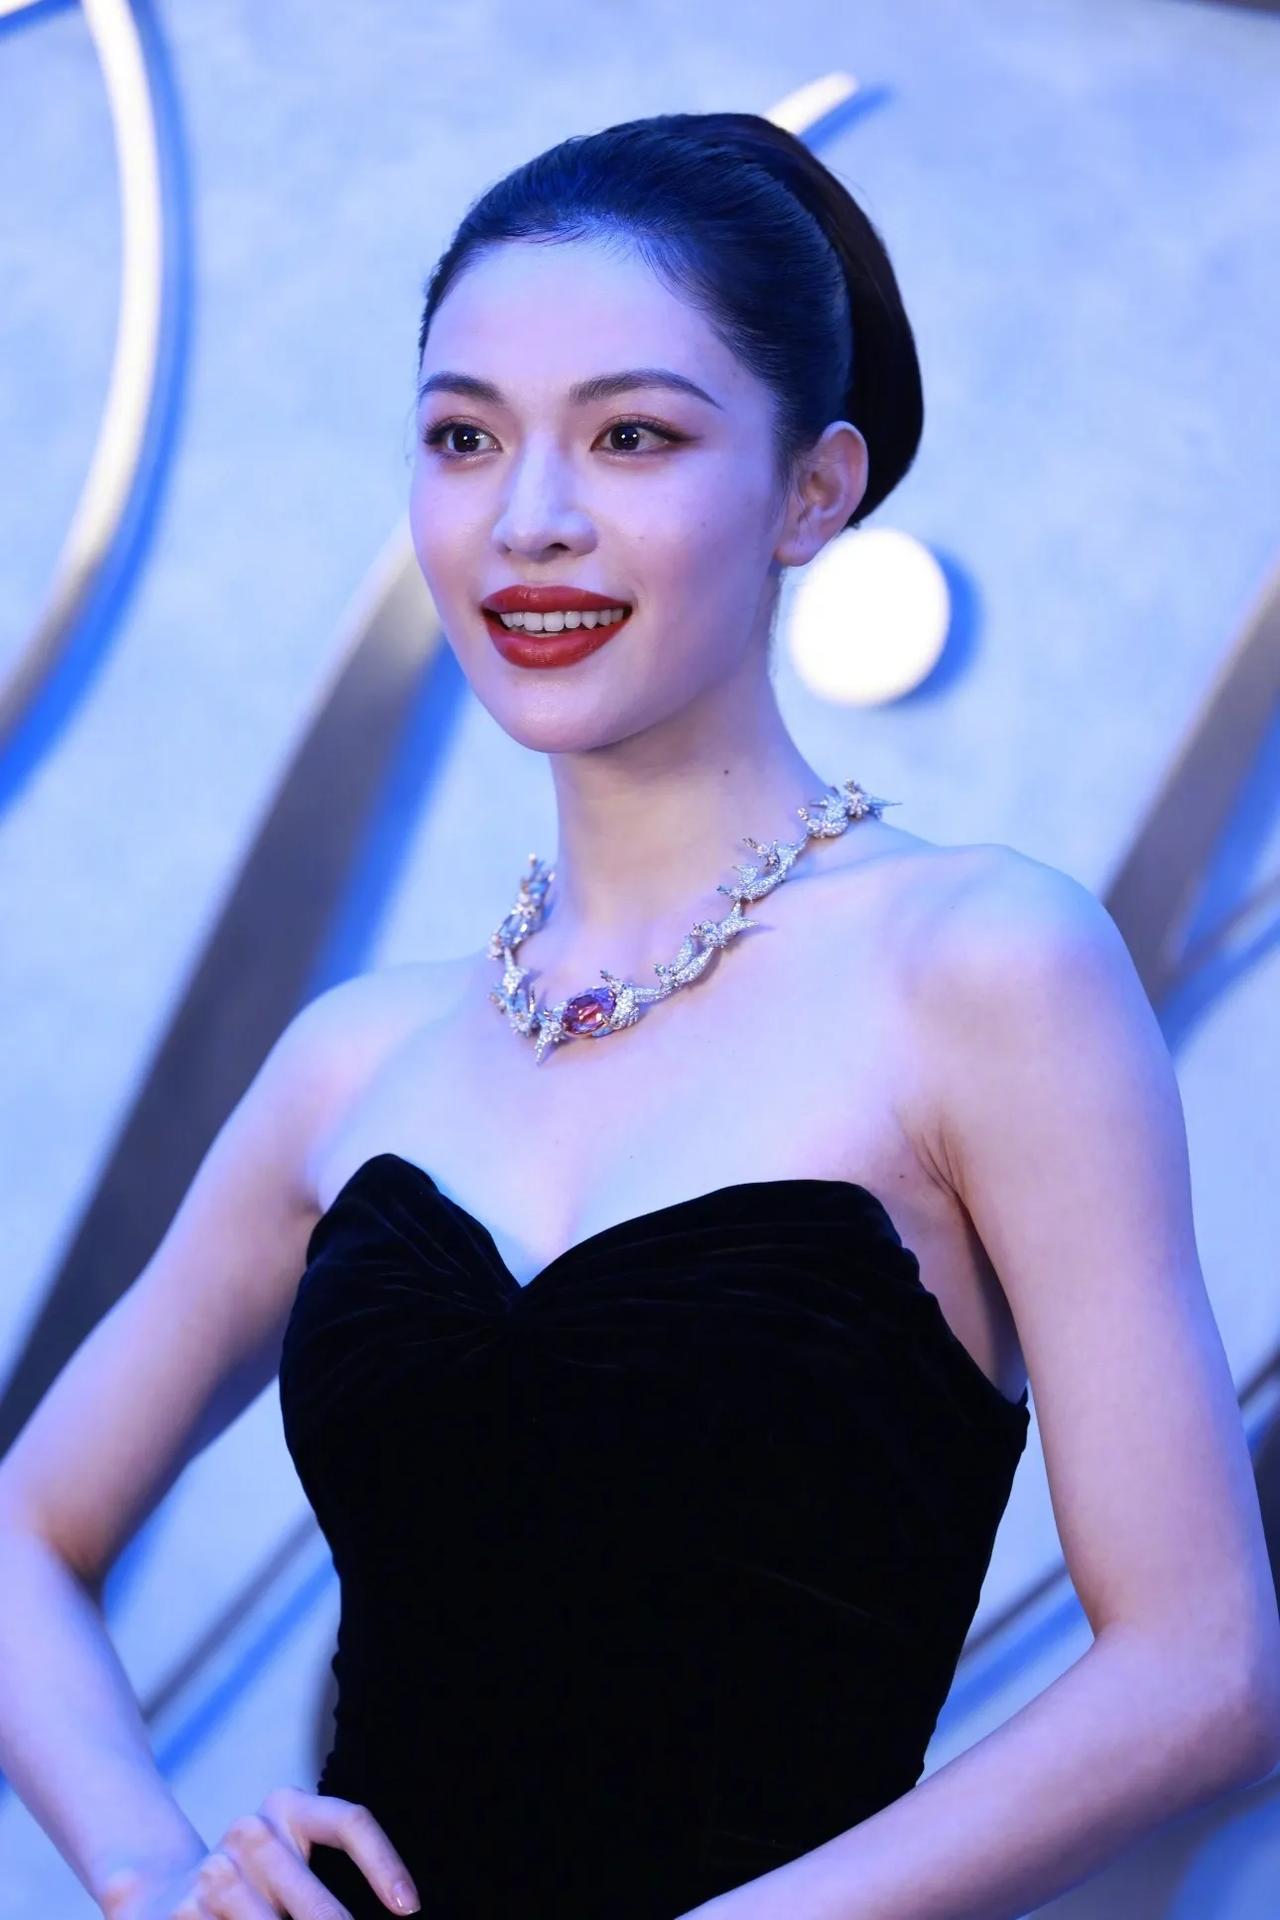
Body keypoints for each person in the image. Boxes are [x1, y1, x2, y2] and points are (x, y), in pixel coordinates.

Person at [1, 110, 1277, 1920]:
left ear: (813, 491)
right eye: (465, 437)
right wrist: (151, 1872)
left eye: (633, 436)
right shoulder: (357, 1059)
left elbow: (1203, 1666)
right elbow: (22, 1534)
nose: (528, 519)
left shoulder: (985, 968)